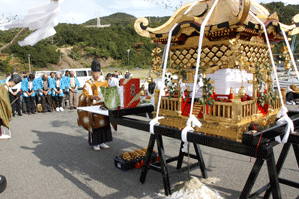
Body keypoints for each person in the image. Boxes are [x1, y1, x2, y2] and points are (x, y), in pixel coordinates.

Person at [77, 60, 113, 151]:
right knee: (95, 125)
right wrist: (92, 97)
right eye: (94, 73)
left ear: (100, 72)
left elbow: (109, 91)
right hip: (94, 107)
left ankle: (103, 142)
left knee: (104, 124)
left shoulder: (104, 82)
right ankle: (95, 143)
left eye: (98, 73)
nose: (96, 75)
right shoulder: (88, 83)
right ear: (91, 72)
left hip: (103, 106)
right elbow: (84, 95)